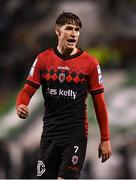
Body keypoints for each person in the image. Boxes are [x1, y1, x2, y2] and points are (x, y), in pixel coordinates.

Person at [16, 12, 112, 179]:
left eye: (77, 29)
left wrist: (105, 138)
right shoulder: (43, 59)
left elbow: (99, 103)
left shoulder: (90, 63)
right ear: (57, 31)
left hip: (75, 134)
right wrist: (21, 105)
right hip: (49, 133)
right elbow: (27, 90)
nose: (74, 33)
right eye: (69, 28)